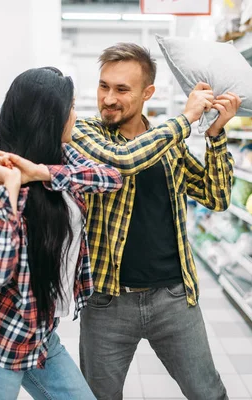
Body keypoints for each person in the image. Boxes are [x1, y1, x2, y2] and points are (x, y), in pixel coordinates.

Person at [69, 43, 240, 400]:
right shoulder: (85, 133)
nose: (109, 99)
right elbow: (124, 160)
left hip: (173, 297)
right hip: (107, 300)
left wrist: (215, 137)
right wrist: (186, 118)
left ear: (148, 93)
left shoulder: (169, 143)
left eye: (122, 89)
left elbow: (217, 198)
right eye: (104, 86)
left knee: (208, 393)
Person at [0, 67, 123, 400]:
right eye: (71, 107)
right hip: (0, 344)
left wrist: (42, 172)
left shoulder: (59, 160)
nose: (76, 115)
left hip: (41, 335)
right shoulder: (4, 186)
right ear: (51, 118)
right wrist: (11, 189)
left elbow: (111, 177)